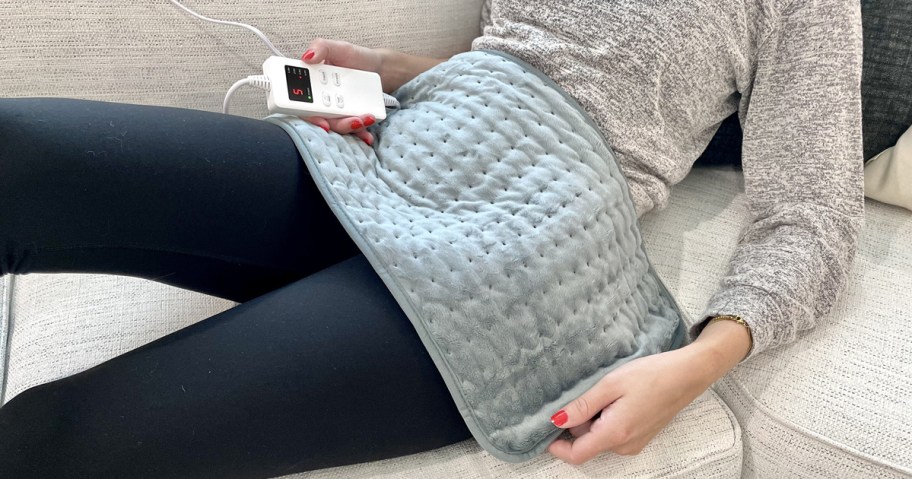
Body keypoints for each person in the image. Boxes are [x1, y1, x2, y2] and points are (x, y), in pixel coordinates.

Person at [0, 0, 863, 476]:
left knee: (54, 440)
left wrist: (691, 367)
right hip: (411, 139)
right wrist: (398, 71)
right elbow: (530, 51)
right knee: (21, 153)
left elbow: (815, 218)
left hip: (531, 241)